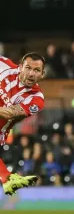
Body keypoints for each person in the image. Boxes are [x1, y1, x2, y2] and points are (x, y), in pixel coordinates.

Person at [0, 53, 45, 195]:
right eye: (28, 68)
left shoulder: (36, 99)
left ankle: (7, 178)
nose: (31, 73)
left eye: (37, 70)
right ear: (20, 67)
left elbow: (9, 113)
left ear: (42, 74)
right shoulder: (4, 64)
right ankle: (7, 179)